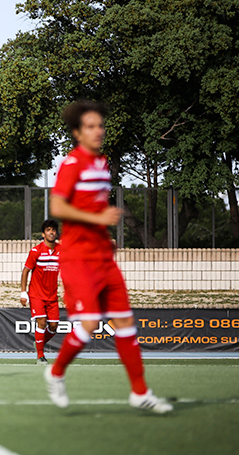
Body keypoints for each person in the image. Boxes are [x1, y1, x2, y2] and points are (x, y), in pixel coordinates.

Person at [44, 100, 172, 413]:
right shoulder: (72, 164)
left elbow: (94, 208)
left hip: (104, 257)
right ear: (77, 132)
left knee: (126, 323)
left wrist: (105, 232)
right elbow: (57, 208)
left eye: (100, 125)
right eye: (90, 126)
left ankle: (140, 392)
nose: (98, 130)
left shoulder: (101, 163)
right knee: (88, 325)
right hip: (78, 259)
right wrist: (97, 220)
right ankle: (55, 372)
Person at [20, 219, 60, 365]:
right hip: (36, 294)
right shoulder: (36, 251)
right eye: (48, 230)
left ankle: (39, 344)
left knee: (54, 326)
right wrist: (23, 293)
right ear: (43, 234)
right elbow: (25, 271)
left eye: (54, 230)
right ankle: (40, 356)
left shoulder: (61, 251)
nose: (51, 232)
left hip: (52, 296)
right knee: (41, 322)